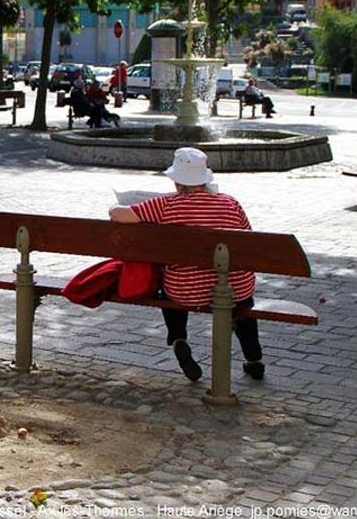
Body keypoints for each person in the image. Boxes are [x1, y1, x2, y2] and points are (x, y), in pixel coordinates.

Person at [108, 147, 264, 382]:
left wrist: (115, 207)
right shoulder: (231, 203)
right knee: (243, 300)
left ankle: (178, 338)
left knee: (167, 288)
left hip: (187, 291)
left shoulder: (165, 205)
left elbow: (118, 215)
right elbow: (248, 238)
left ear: (177, 182)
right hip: (234, 289)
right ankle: (254, 359)